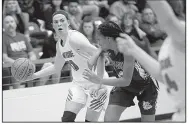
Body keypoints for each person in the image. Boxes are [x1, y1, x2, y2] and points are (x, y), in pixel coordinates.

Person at [23, 10, 108, 122]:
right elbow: (56, 67)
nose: (59, 24)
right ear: (52, 25)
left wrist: (98, 83)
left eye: (62, 21)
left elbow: (101, 55)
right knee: (67, 119)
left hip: (96, 83)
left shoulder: (75, 38)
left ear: (68, 22)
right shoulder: (59, 45)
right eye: (56, 22)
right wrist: (33, 75)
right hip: (79, 84)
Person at [115, 0, 185, 122]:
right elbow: (161, 74)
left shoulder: (183, 35)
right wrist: (134, 50)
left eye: (156, 12)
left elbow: (169, 21)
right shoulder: (168, 45)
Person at [83, 21, 159, 122]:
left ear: (108, 38)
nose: (98, 42)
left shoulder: (126, 49)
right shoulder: (107, 47)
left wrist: (99, 80)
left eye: (99, 39)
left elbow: (125, 80)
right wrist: (98, 52)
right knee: (109, 120)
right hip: (125, 87)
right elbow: (90, 63)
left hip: (146, 86)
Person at [3, 15, 37, 89]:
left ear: (15, 24)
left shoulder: (23, 37)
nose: (10, 24)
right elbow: (4, 58)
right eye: (7, 22)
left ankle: (39, 90)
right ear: (3, 25)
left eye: (12, 22)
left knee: (48, 65)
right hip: (13, 66)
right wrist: (19, 64)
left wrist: (29, 63)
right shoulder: (3, 39)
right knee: (16, 72)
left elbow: (32, 54)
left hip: (27, 64)